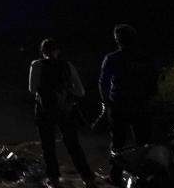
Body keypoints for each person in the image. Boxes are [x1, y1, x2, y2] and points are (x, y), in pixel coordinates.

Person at [28, 38, 97, 188]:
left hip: (44, 111)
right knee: (73, 145)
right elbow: (81, 92)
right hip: (65, 111)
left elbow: (32, 89)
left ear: (42, 51)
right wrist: (66, 92)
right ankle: (88, 178)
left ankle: (54, 180)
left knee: (48, 146)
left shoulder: (36, 64)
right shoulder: (67, 65)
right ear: (57, 51)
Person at [98, 24, 155, 186]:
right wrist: (149, 102)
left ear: (117, 40)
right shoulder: (145, 58)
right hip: (140, 106)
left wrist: (106, 102)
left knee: (117, 143)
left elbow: (102, 83)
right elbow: (153, 83)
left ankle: (115, 176)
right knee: (142, 143)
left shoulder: (112, 58)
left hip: (119, 106)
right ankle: (143, 177)